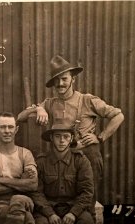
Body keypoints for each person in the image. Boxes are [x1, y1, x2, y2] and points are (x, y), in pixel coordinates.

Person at [17, 55, 124, 212]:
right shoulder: (50, 103)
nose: (60, 83)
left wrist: (100, 137)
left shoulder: (87, 100)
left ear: (73, 79)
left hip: (86, 154)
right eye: (56, 80)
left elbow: (118, 116)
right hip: (62, 156)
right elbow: (20, 117)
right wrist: (38, 108)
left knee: (87, 200)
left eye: (64, 79)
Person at [33, 120, 97, 224]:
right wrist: (49, 213)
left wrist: (74, 213)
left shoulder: (81, 161)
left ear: (71, 140)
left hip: (72, 207)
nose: (62, 140)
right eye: (58, 136)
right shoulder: (41, 161)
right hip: (49, 207)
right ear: (51, 139)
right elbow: (36, 192)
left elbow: (87, 193)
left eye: (66, 137)